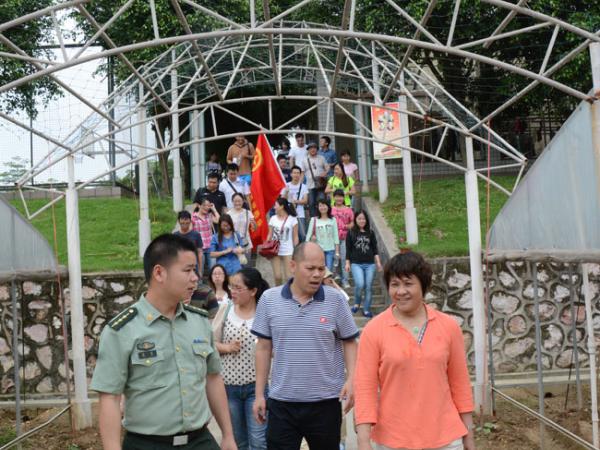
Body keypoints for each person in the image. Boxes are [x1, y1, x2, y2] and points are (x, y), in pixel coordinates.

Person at [91, 234, 237, 450]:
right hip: (147, 444)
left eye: (195, 270)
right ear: (159, 273)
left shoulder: (199, 321)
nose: (195, 278)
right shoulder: (122, 330)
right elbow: (110, 398)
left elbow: (213, 378)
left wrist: (228, 435)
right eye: (187, 270)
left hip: (200, 441)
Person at [354, 252, 475, 450]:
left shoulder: (448, 327)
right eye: (394, 284)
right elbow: (365, 388)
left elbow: (459, 382)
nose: (401, 291)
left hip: (446, 437)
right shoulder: (373, 330)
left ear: (424, 286)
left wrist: (469, 435)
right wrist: (363, 440)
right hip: (393, 440)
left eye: (408, 283)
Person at [251, 242, 358, 450]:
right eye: (310, 268)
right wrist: (259, 395)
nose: (317, 274)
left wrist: (352, 379)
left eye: (321, 269)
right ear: (293, 265)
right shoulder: (269, 299)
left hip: (325, 403)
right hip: (282, 403)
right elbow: (263, 348)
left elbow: (350, 341)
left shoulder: (335, 300)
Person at [213, 268, 270, 450]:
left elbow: (273, 347)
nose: (232, 292)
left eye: (238, 288)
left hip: (256, 388)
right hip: (228, 389)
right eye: (231, 287)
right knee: (237, 441)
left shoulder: (264, 313)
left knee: (259, 441)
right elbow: (210, 343)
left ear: (253, 291)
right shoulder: (226, 308)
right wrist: (227, 347)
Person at [345, 210, 382, 318]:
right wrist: (347, 263)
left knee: (368, 287)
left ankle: (366, 309)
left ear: (366, 220)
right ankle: (357, 302)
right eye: (359, 218)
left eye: (363, 219)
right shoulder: (351, 232)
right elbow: (348, 249)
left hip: (370, 264)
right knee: (360, 284)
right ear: (355, 220)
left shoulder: (370, 232)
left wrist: (378, 263)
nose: (362, 220)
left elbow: (375, 249)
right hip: (356, 264)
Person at [266, 197, 299, 286]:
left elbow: (295, 236)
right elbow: (270, 234)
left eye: (275, 205)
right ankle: (278, 293)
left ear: (282, 206)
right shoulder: (273, 218)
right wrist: (267, 245)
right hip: (274, 249)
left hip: (288, 250)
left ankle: (290, 293)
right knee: (277, 276)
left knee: (289, 276)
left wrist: (296, 250)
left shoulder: (292, 219)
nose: (274, 207)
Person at [306, 199, 339, 271]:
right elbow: (308, 237)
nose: (322, 207)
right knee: (319, 270)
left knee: (328, 271)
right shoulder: (313, 220)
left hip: (330, 250)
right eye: (320, 206)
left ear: (328, 207)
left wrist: (337, 252)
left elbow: (336, 236)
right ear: (317, 207)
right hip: (318, 250)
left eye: (324, 205)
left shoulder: (333, 219)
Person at [331, 190, 354, 289]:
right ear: (334, 197)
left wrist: (345, 226)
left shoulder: (348, 210)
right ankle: (338, 276)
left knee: (345, 258)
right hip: (332, 238)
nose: (339, 199)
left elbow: (353, 223)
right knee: (336, 258)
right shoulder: (331, 210)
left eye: (341, 196)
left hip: (345, 237)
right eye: (337, 196)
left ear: (344, 198)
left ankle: (345, 280)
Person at [192, 198, 221, 275]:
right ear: (199, 206)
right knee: (199, 268)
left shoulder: (209, 216)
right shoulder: (193, 217)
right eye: (204, 205)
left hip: (210, 246)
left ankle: (213, 282)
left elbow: (219, 220)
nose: (206, 207)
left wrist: (214, 209)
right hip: (199, 247)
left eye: (208, 206)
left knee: (213, 266)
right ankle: (199, 283)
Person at [280, 165, 309, 242]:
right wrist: (286, 191)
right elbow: (282, 200)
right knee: (289, 235)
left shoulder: (303, 186)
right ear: (291, 174)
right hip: (288, 213)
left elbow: (305, 201)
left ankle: (301, 251)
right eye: (294, 173)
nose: (296, 175)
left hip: (300, 213)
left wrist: (295, 201)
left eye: (298, 173)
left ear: (300, 174)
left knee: (302, 235)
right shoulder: (286, 185)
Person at [301, 142, 329, 217]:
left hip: (321, 184)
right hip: (309, 185)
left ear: (317, 149)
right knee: (311, 203)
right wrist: (300, 185)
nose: (313, 149)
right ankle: (313, 220)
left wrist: (325, 172)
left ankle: (322, 217)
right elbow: (302, 173)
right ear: (308, 150)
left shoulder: (321, 158)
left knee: (322, 201)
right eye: (310, 148)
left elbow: (327, 167)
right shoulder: (304, 160)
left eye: (314, 148)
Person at [228, 192, 256, 260]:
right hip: (233, 243)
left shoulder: (248, 213)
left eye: (239, 201)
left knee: (246, 266)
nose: (237, 203)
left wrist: (254, 224)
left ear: (243, 201)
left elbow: (254, 228)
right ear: (232, 201)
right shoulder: (228, 214)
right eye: (235, 201)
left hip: (246, 242)